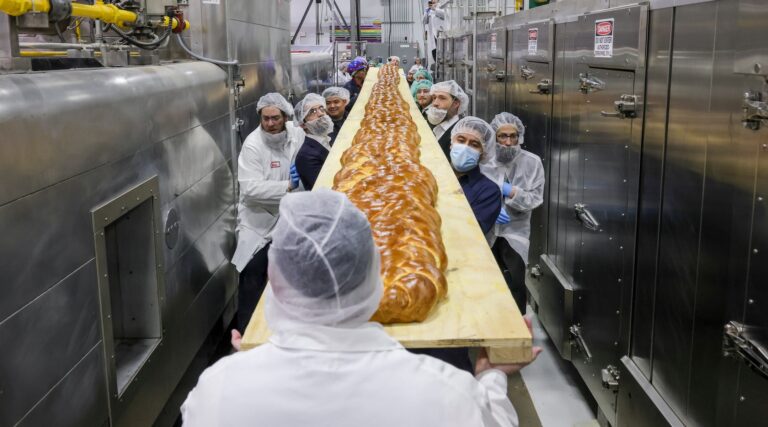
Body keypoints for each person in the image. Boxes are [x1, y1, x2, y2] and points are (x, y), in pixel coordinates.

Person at [183, 189, 532, 427]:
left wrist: (254, 362)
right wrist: (491, 375)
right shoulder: (447, 391)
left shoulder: (217, 390)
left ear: (276, 282)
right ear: (374, 277)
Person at [230, 92, 305, 333]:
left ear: (285, 116)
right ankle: (246, 334)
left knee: (290, 276)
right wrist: (288, 186)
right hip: (259, 221)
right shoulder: (253, 145)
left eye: (275, 118)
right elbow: (250, 189)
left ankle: (283, 330)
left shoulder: (296, 134)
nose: (270, 124)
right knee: (253, 273)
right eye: (265, 119)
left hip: (289, 218)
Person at [490, 113, 545, 314]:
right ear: (494, 137)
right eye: (502, 136)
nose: (508, 142)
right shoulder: (485, 159)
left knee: (515, 283)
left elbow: (535, 199)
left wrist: (511, 192)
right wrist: (490, 211)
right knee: (488, 281)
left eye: (513, 136)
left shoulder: (532, 162)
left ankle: (518, 330)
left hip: (515, 232)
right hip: (486, 230)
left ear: (520, 136)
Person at [294, 93, 335, 191]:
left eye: (321, 108)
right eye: (312, 111)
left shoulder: (329, 138)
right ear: (302, 124)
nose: (320, 113)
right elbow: (324, 190)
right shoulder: (306, 156)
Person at [424, 80, 468, 160]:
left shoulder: (461, 134)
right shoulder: (434, 125)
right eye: (434, 98)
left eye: (442, 98)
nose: (435, 103)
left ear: (456, 104)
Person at [423, 0, 447, 66]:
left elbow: (445, 15)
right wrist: (426, 11)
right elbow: (424, 21)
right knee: (434, 52)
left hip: (442, 35)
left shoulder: (443, 6)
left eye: (434, 2)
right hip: (433, 36)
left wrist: (435, 9)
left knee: (442, 52)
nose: (432, 3)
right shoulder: (429, 10)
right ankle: (438, 67)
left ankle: (441, 66)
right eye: (431, 2)